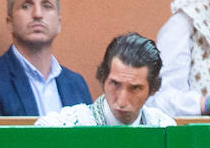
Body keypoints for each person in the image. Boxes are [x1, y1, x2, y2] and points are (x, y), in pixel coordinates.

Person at [0, 0, 92, 117]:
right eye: (26, 6)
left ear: (59, 23)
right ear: (10, 23)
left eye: (47, 6)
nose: (38, 14)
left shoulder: (77, 84)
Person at [36, 33, 176, 128]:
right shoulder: (70, 124)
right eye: (115, 84)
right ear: (103, 79)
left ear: (152, 89)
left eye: (135, 88)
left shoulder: (163, 127)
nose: (122, 101)